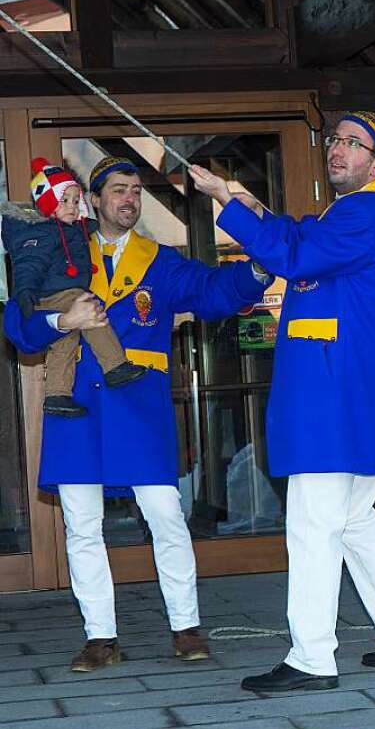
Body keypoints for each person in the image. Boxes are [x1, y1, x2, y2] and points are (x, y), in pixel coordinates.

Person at [188, 111, 375, 694]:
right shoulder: (361, 212)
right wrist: (248, 204)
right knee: (352, 518)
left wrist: (229, 205)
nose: (338, 149)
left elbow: (294, 257)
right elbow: (302, 239)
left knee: (311, 523)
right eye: (335, 140)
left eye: (354, 144)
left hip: (334, 391)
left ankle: (311, 658)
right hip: (346, 391)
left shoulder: (366, 211)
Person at [3, 155, 270, 672]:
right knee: (82, 525)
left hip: (137, 402)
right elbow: (19, 326)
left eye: (136, 190)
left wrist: (257, 270)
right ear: (95, 199)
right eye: (119, 190)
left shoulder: (160, 260)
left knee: (166, 517)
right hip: (74, 403)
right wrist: (63, 319)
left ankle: (186, 627)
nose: (130, 199)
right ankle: (100, 637)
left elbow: (213, 293)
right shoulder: (56, 245)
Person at [1, 158, 144, 417]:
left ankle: (57, 394)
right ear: (47, 203)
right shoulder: (43, 233)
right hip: (61, 293)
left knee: (64, 344)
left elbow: (86, 226)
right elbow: (29, 266)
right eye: (64, 200)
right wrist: (25, 294)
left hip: (64, 293)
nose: (72, 207)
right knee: (95, 319)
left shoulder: (72, 228)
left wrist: (89, 216)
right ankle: (115, 366)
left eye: (76, 201)